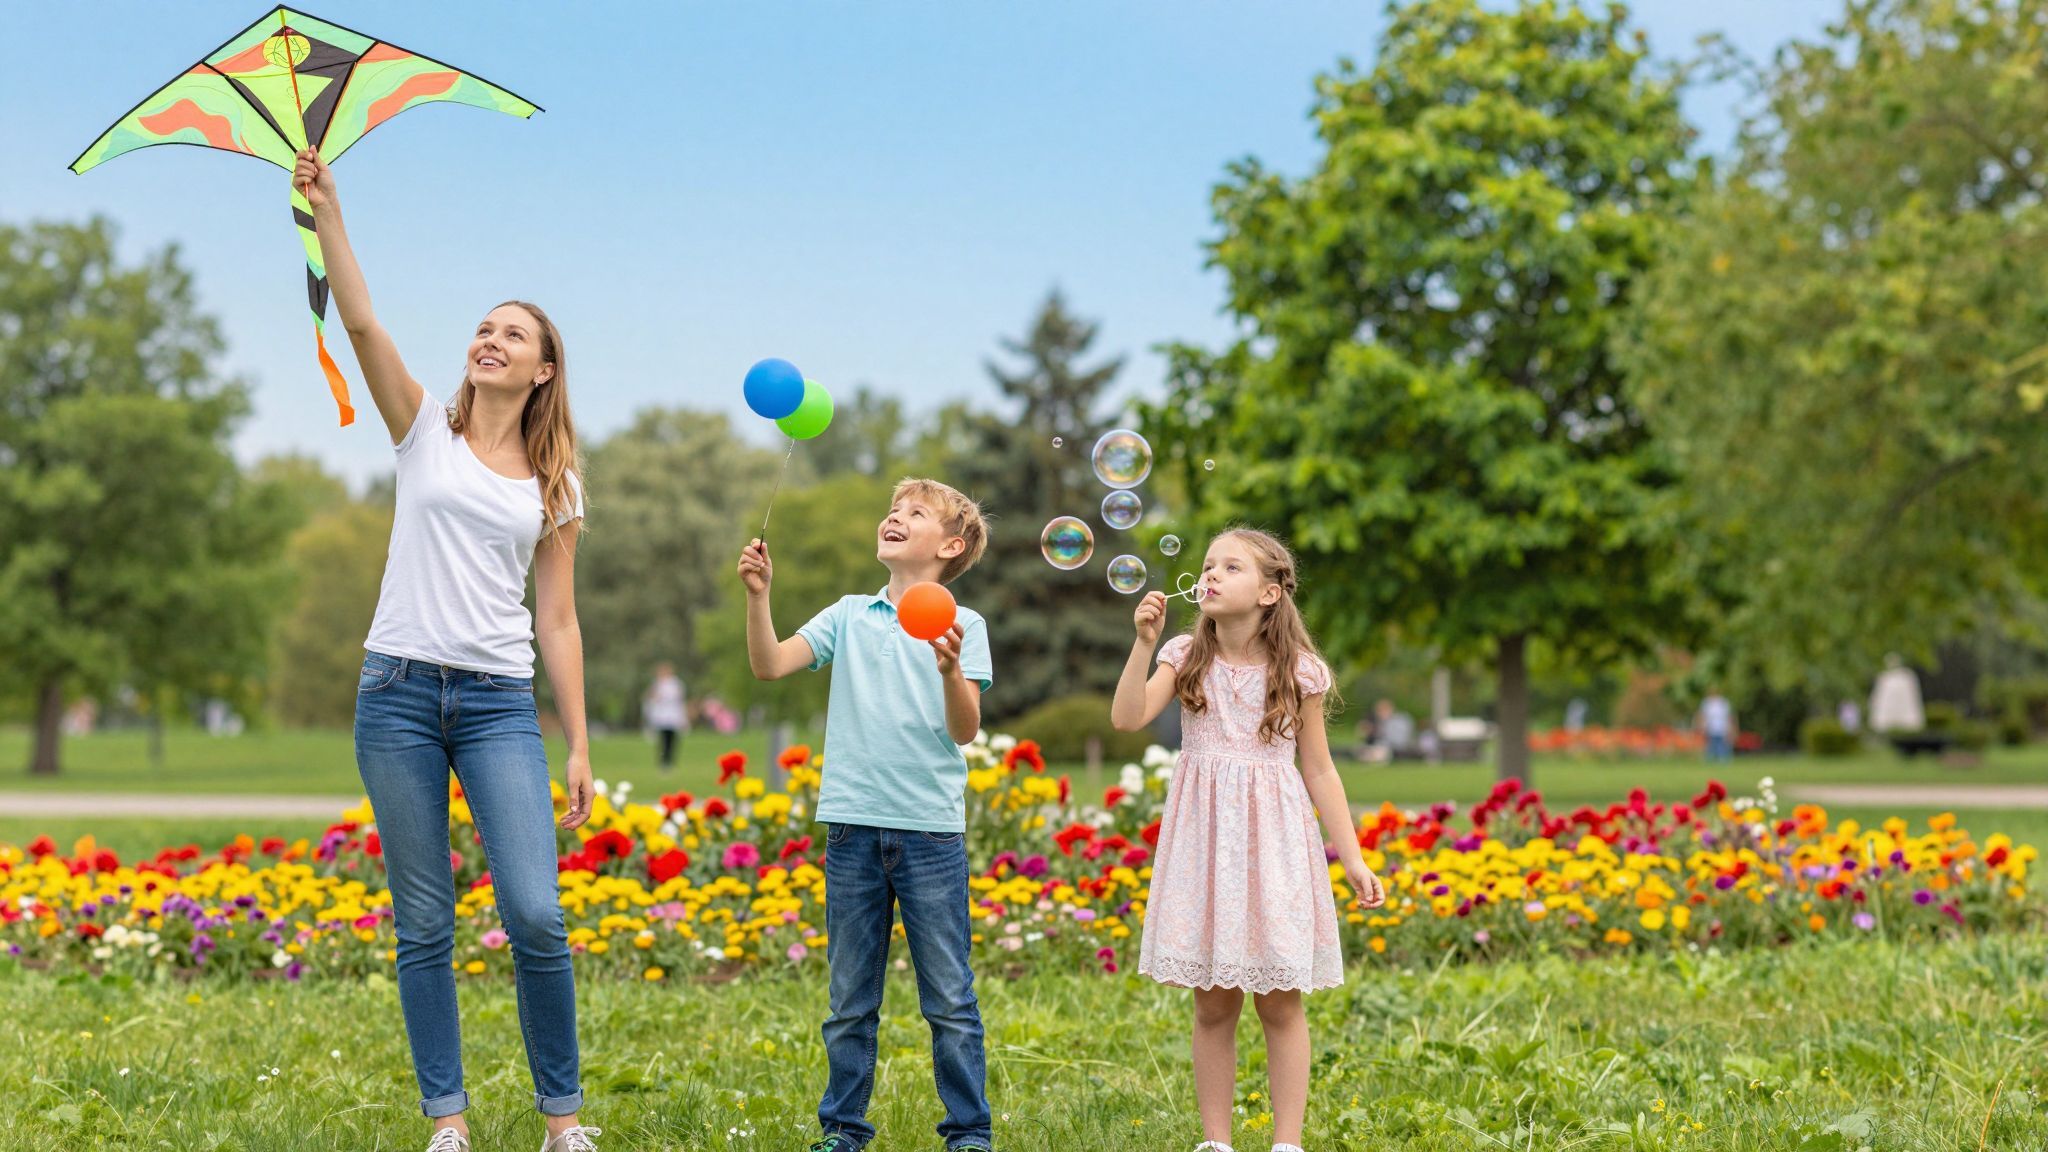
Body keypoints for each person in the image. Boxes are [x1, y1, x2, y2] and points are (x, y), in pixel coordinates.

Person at [298, 148, 599, 1152]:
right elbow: (364, 322)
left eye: (511, 335)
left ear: (543, 368)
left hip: (499, 706)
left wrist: (581, 746)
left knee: (536, 916)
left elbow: (556, 619)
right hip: (394, 694)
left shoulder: (554, 481)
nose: (489, 339)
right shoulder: (422, 429)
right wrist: (329, 209)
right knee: (423, 920)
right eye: (482, 327)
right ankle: (449, 1122)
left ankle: (562, 1123)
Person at [738, 479, 995, 1152]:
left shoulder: (967, 625)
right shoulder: (850, 614)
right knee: (850, 1001)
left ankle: (969, 1133)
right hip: (853, 827)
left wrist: (949, 669)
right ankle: (843, 1130)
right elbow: (770, 665)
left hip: (931, 831)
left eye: (914, 513)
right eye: (893, 510)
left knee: (950, 1001)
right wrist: (759, 597)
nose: (894, 517)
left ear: (950, 546)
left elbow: (966, 730)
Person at [1110, 528, 1386, 1152]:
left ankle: (1286, 1144)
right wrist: (1143, 644)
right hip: (1205, 845)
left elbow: (1318, 768)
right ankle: (1217, 1143)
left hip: (1274, 844)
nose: (1210, 574)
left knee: (1280, 1005)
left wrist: (1354, 858)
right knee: (1213, 1005)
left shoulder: (1298, 671)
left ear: (1267, 592)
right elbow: (1127, 718)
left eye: (1229, 566)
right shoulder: (1184, 654)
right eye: (1208, 564)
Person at [643, 662, 688, 770]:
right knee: (662, 740)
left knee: (671, 740)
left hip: (672, 716)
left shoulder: (675, 684)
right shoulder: (657, 684)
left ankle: (670, 761)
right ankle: (663, 761)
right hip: (661, 717)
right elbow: (651, 697)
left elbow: (678, 699)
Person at [1697, 688, 1735, 763]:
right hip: (1710, 728)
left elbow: (1729, 716)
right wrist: (1701, 726)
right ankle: (1710, 761)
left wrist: (1730, 727)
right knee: (1710, 746)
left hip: (1722, 728)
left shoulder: (1723, 702)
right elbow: (1703, 715)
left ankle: (1723, 761)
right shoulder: (1706, 703)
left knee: (1722, 746)